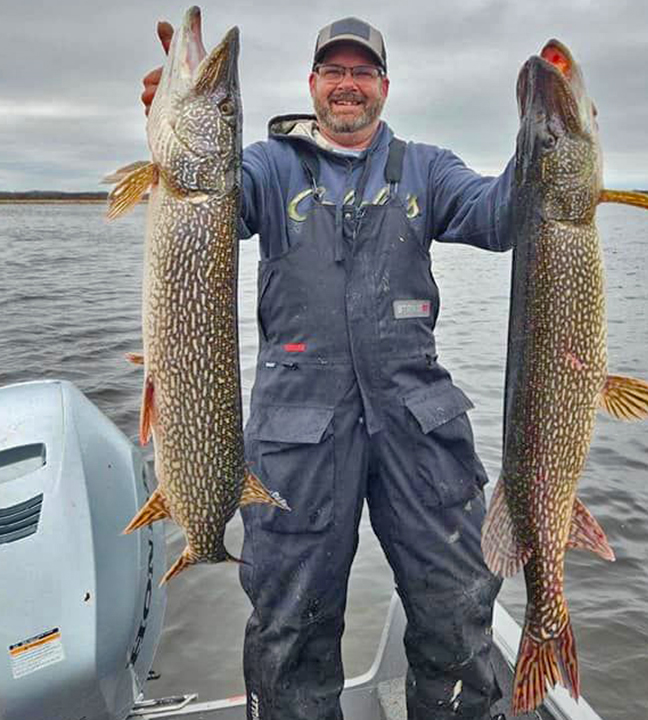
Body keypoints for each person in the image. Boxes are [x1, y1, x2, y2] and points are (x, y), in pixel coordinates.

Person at [142, 16, 513, 720]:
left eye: (363, 72)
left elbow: (498, 216)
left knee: (458, 615)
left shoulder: (427, 167)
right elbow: (208, 194)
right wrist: (176, 128)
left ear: (384, 86)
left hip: (420, 425)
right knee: (293, 632)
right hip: (296, 437)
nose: (348, 85)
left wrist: (549, 144)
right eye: (334, 72)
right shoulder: (264, 165)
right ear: (313, 84)